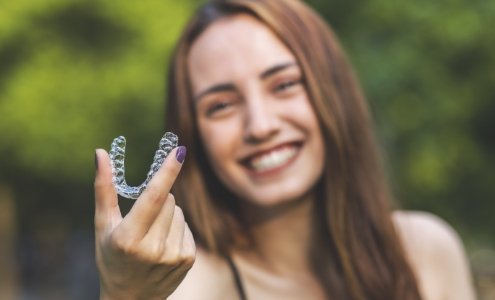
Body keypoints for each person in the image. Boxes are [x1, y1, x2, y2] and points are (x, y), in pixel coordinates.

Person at [93, 0, 477, 299]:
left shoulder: (426, 252)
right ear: (192, 135)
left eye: (284, 84)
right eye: (221, 106)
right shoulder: (185, 287)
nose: (260, 126)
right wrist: (125, 296)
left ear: (334, 91)